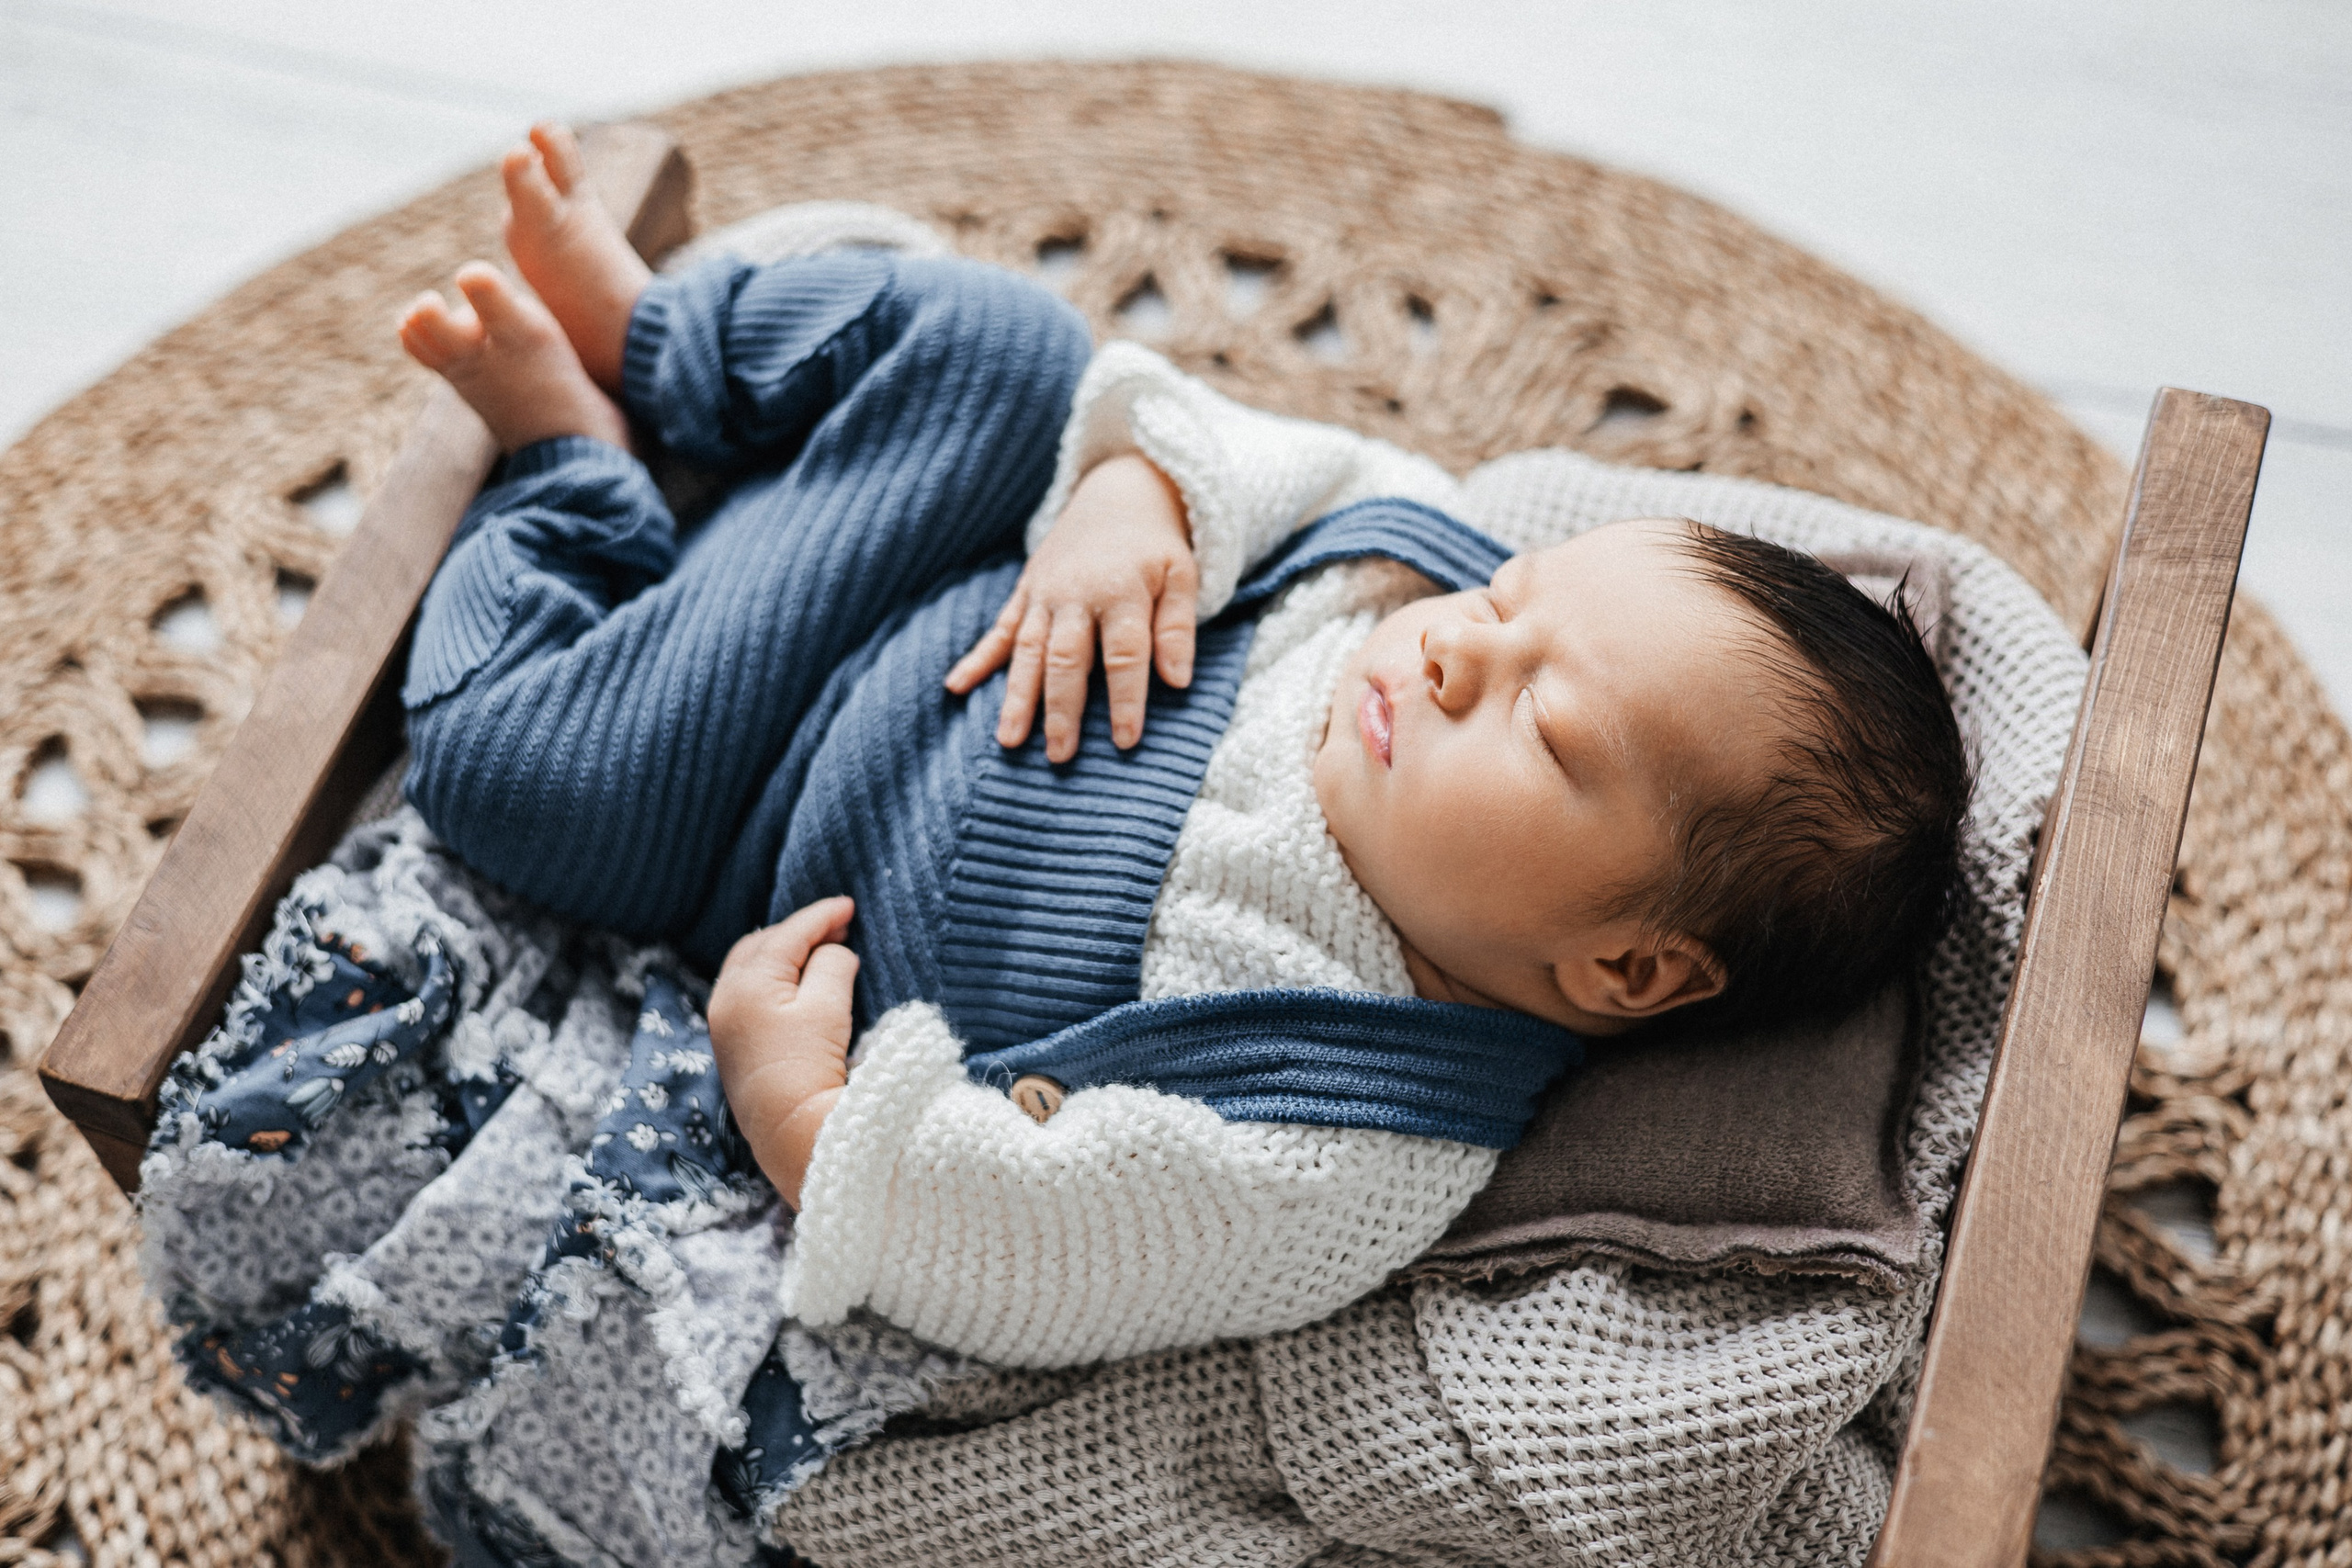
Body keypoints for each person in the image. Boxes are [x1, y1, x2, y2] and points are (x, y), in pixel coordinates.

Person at [393, 124, 1969, 1371]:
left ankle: (576, 473)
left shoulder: (1349, 1123)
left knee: (518, 786)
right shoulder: (1393, 598)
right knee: (1008, 348)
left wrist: (803, 1116)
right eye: (1507, 601)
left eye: (1539, 724)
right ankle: (674, 348)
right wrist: (1133, 498)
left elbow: (1044, 1245)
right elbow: (1297, 460)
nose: (1457, 645)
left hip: (721, 791)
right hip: (925, 554)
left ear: (1625, 964)